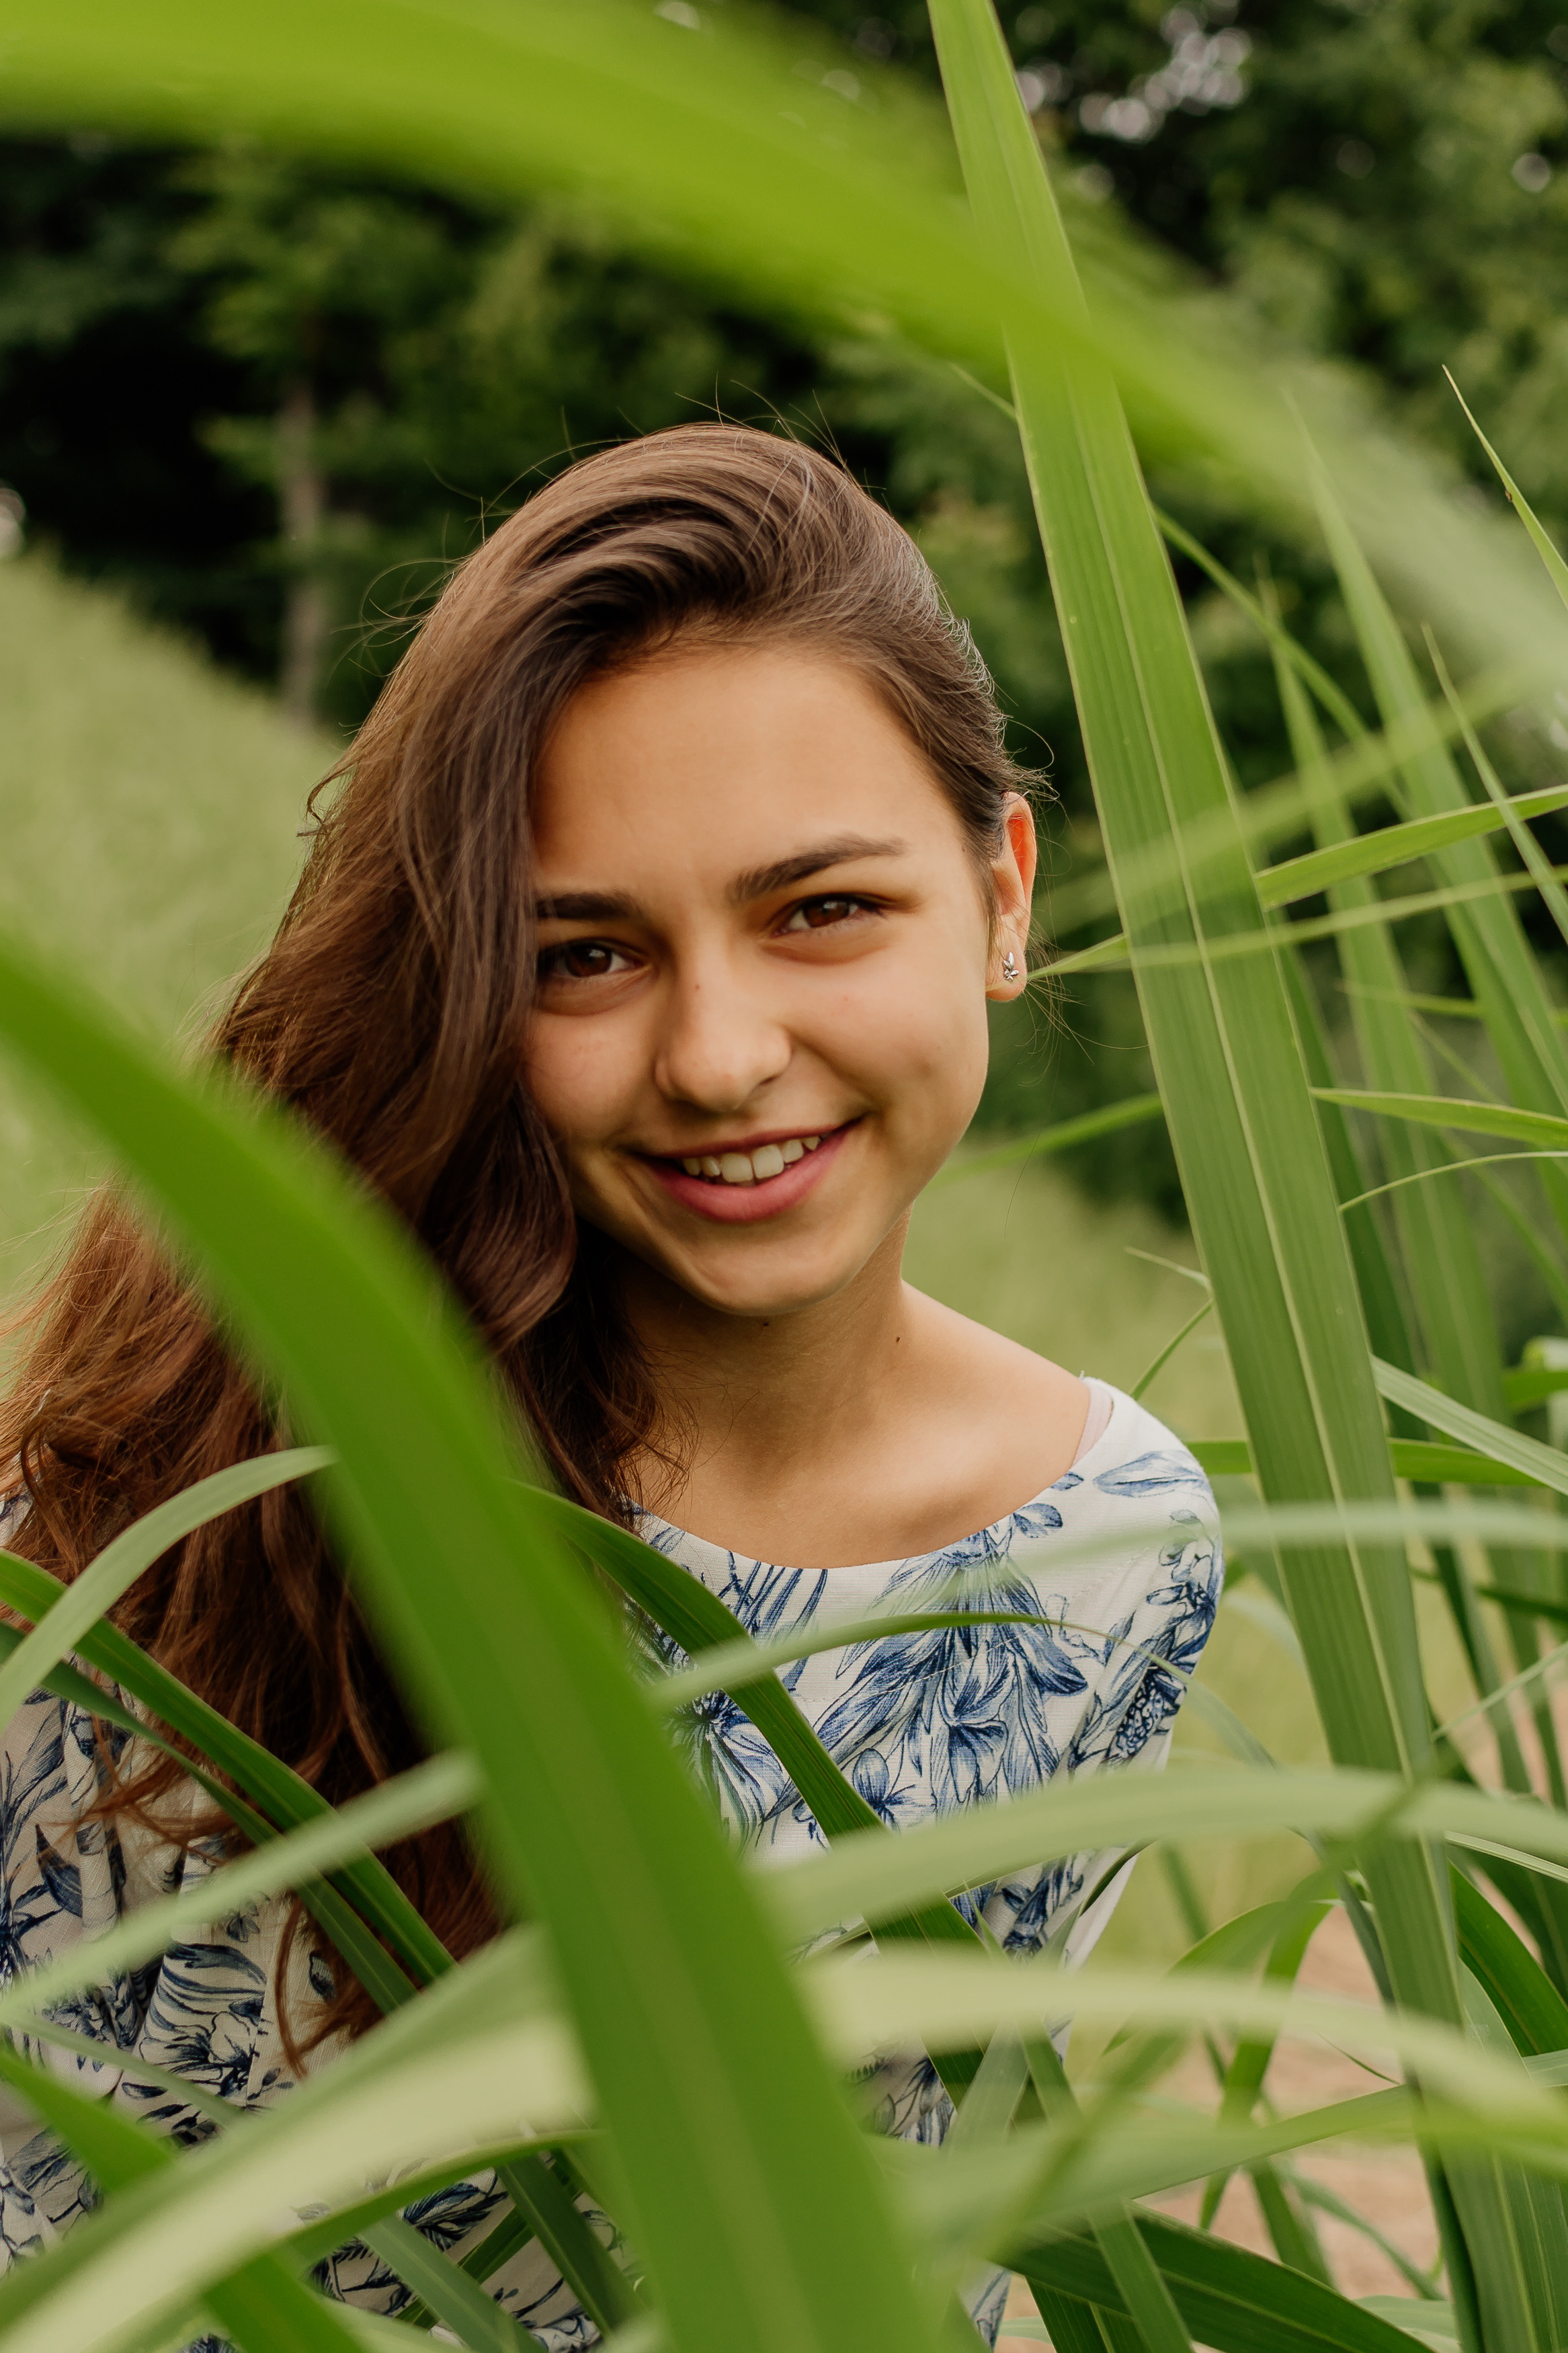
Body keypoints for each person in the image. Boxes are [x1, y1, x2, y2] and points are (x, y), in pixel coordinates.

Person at [0, 424, 1221, 2346]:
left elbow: (930, 2211)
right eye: (584, 954)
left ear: (1003, 891)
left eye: (822, 908)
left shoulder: (1113, 1540)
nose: (723, 1056)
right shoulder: (197, 1475)